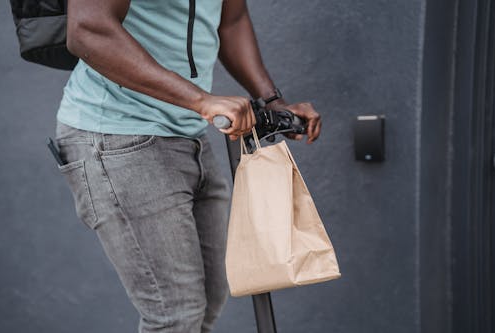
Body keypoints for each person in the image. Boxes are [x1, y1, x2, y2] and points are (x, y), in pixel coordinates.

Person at [55, 0, 322, 332]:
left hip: (187, 134)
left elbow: (231, 19)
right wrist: (201, 100)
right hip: (117, 134)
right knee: (175, 315)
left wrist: (272, 101)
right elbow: (88, 30)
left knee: (207, 304)